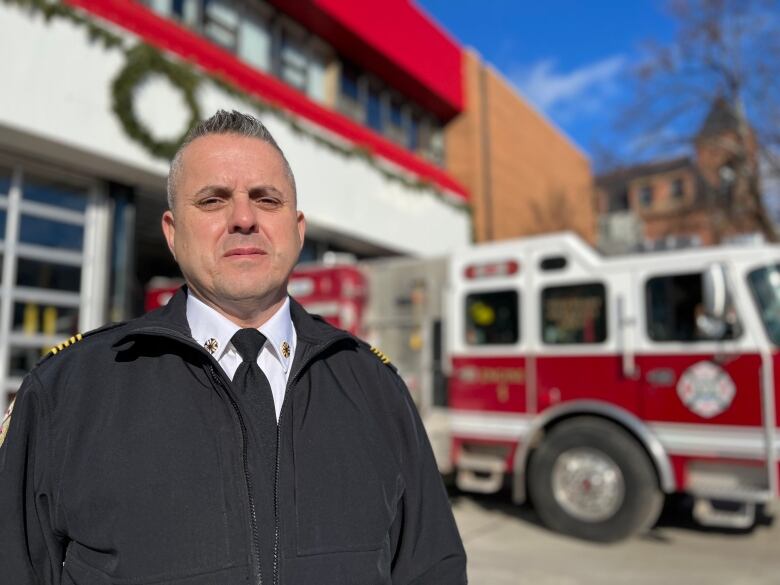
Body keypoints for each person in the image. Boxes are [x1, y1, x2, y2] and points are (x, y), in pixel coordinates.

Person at [0, 110, 467, 584]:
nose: (244, 219)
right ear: (172, 232)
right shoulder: (67, 393)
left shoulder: (375, 388)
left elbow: (433, 569)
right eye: (212, 200)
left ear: (298, 229)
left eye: (267, 199)